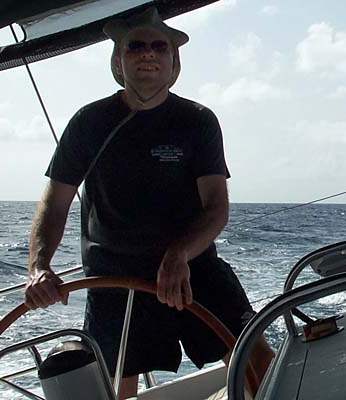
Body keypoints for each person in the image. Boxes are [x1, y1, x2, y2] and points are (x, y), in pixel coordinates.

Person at [24, 6, 273, 399]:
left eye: (160, 46)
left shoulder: (198, 121)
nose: (148, 53)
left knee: (261, 366)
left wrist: (179, 255)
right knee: (114, 391)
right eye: (135, 46)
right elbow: (55, 204)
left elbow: (216, 208)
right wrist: (39, 266)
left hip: (192, 269)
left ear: (174, 62)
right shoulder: (89, 123)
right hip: (115, 281)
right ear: (118, 62)